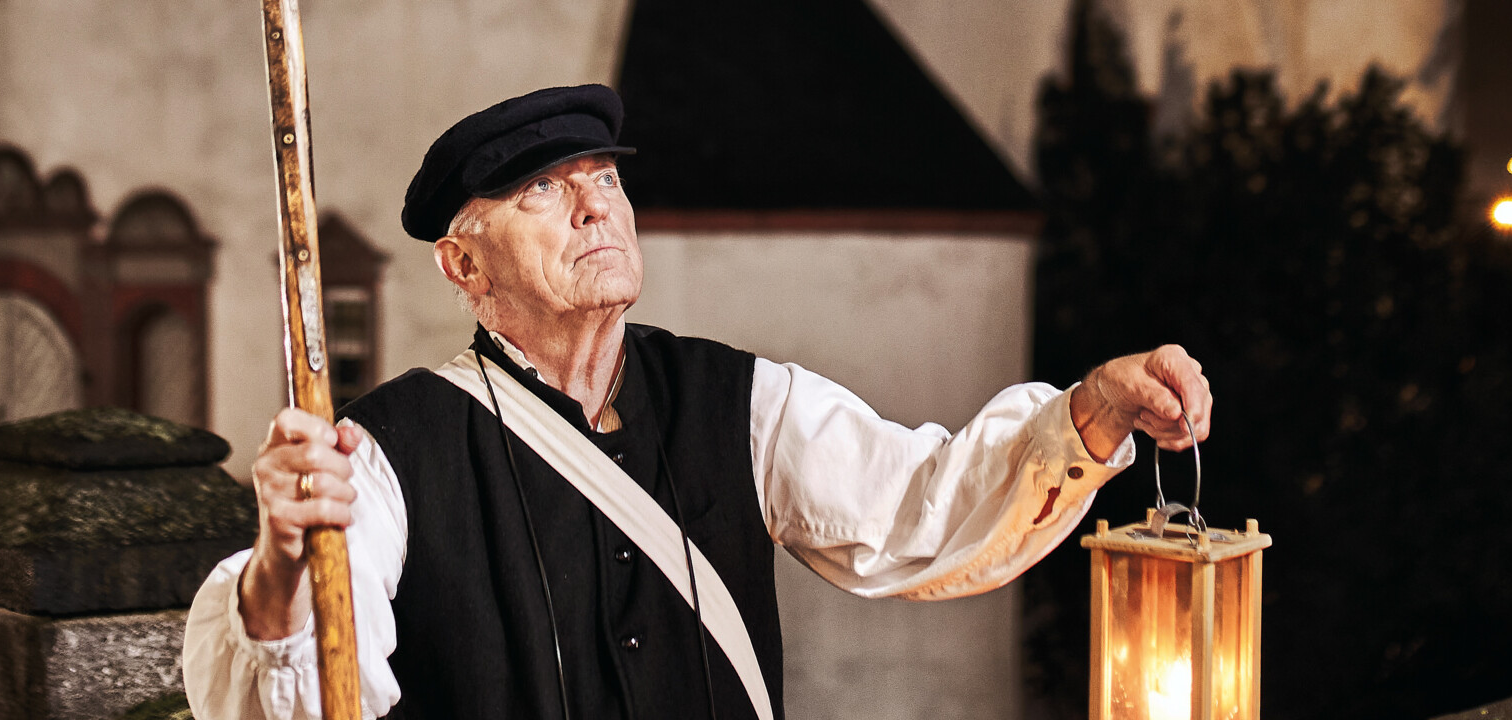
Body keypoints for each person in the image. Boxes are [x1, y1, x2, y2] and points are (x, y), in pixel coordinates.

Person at [183, 84, 1213, 720]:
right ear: (462, 263)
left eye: (604, 179)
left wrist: (1095, 410)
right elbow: (305, 682)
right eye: (543, 190)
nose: (594, 204)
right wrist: (281, 562)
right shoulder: (387, 453)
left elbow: (925, 508)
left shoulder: (744, 401)